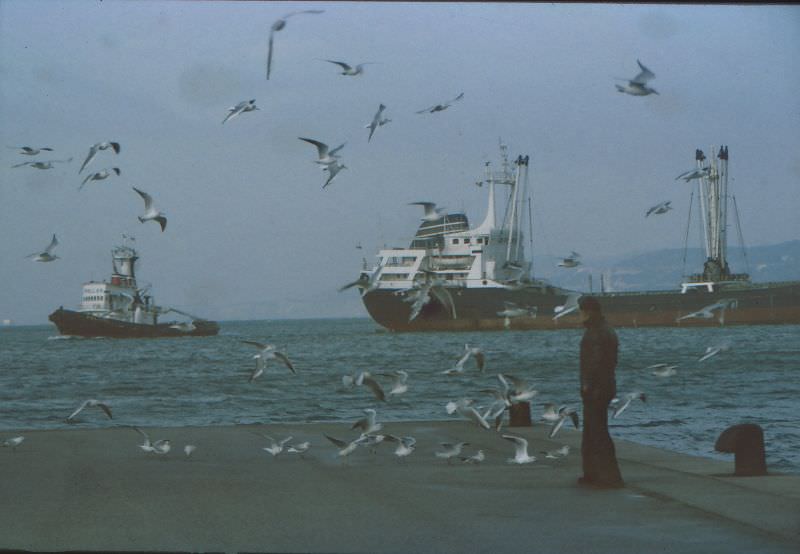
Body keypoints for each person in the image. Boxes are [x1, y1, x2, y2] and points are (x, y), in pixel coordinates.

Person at [577, 295, 624, 488]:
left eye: (581, 310)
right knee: (592, 431)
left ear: (589, 312)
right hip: (606, 385)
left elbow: (595, 364)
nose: (579, 314)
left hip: (596, 388)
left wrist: (587, 385)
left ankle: (607, 476)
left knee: (596, 432)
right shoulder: (606, 330)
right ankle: (593, 474)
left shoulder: (595, 333)